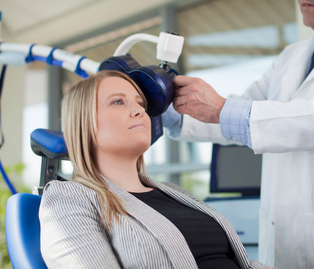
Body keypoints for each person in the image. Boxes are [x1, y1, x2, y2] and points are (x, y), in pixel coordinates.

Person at [161, 0, 314, 268]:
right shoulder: (293, 55)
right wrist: (170, 112)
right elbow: (240, 114)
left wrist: (221, 108)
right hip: (281, 236)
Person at [39, 70, 273, 269]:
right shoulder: (68, 198)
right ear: (84, 123)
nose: (140, 110)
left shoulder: (175, 193)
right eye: (118, 101)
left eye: (140, 103)